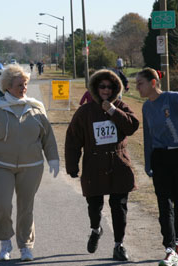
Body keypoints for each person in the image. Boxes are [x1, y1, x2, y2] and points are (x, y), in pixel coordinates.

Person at [0, 64, 59, 261]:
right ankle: (5, 241)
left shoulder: (35, 108)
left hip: (32, 167)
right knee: (2, 204)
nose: (24, 88)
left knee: (26, 207)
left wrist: (53, 158)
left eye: (25, 84)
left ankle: (26, 245)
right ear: (8, 86)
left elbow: (48, 137)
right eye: (20, 84)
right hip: (1, 166)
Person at [65, 69, 139, 261]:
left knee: (119, 206)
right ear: (95, 89)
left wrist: (113, 111)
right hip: (94, 165)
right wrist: (72, 166)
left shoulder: (121, 106)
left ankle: (118, 245)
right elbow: (73, 140)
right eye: (102, 86)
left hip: (118, 164)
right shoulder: (85, 112)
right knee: (94, 205)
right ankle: (96, 229)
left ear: (115, 89)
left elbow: (132, 126)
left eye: (110, 87)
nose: (106, 90)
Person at [136, 67, 178, 266]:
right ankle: (169, 248)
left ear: (153, 83)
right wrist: (148, 163)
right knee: (164, 205)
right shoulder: (146, 107)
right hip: (160, 157)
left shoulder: (172, 98)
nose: (137, 87)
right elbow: (148, 137)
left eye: (141, 83)